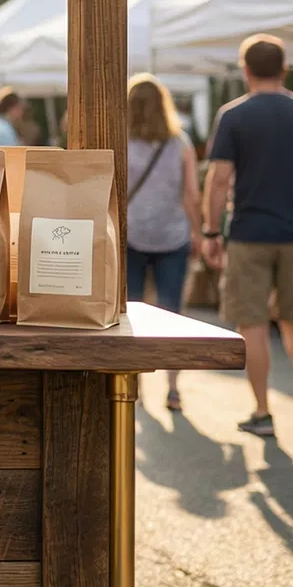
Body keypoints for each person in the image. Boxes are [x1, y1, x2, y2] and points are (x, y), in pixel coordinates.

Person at [202, 35, 293, 438]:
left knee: (253, 323)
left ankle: (262, 411)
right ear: (284, 68)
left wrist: (211, 231)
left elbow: (220, 179)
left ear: (246, 70)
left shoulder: (234, 115)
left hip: (249, 232)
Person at [126, 74, 203, 412]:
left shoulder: (121, 141)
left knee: (129, 313)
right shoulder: (180, 143)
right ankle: (173, 389)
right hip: (172, 235)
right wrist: (200, 233)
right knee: (172, 312)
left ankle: (134, 386)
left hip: (130, 236)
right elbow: (191, 194)